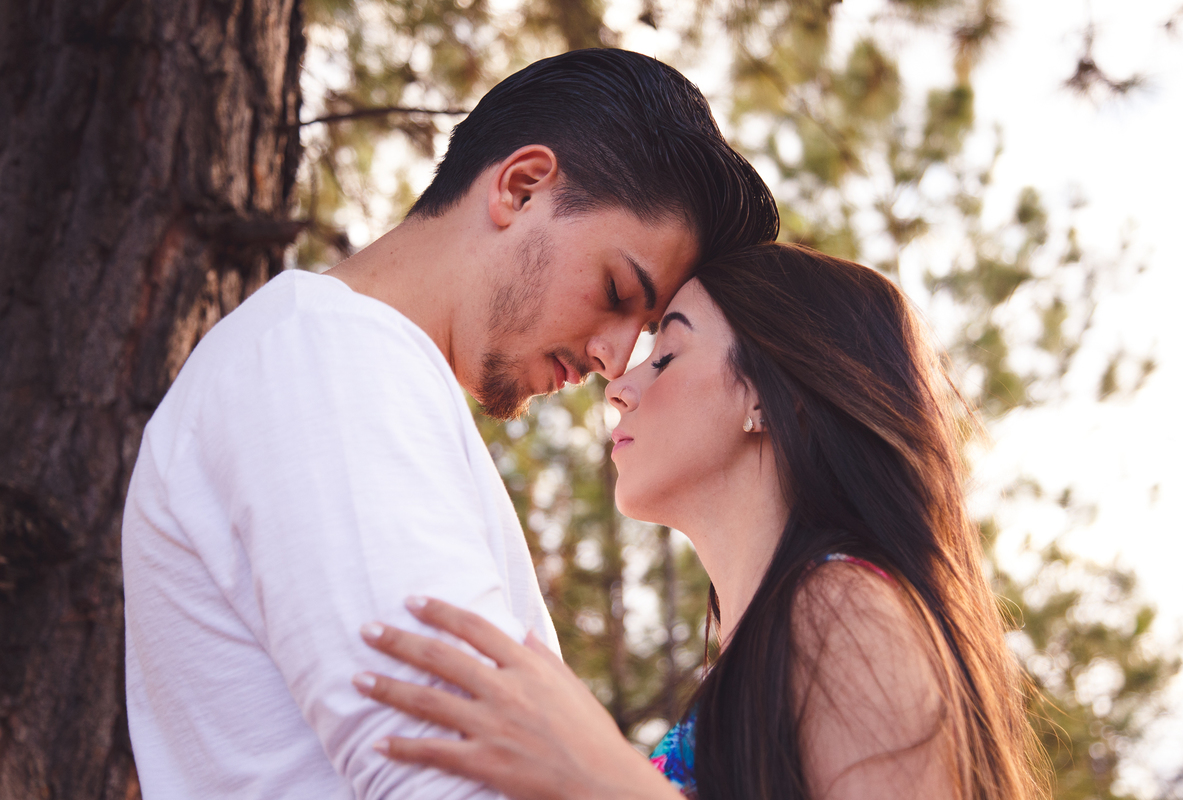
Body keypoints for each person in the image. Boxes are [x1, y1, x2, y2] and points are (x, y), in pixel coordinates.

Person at [121, 48, 778, 799]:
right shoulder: (329, 359)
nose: (611, 358)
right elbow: (448, 780)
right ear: (522, 187)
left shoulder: (352, 368)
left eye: (649, 327)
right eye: (616, 289)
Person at [350, 243, 1047, 800]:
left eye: (666, 357)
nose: (619, 386)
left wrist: (603, 780)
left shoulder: (845, 607)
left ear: (773, 398)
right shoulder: (759, 654)